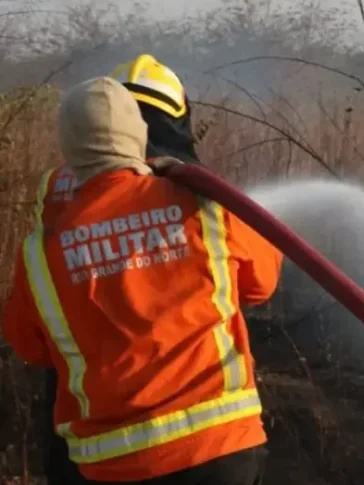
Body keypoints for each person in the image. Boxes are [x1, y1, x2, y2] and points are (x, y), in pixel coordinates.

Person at [2, 76, 282, 484]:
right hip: (221, 451)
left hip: (113, 465)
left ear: (68, 149)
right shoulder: (199, 203)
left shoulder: (40, 252)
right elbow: (262, 284)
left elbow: (30, 345)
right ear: (138, 134)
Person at [38, 54, 204, 485]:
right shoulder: (192, 194)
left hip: (81, 430)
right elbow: (259, 282)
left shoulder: (57, 188)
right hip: (197, 442)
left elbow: (34, 332)